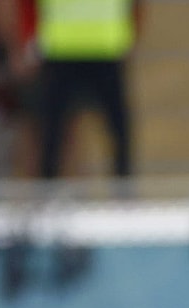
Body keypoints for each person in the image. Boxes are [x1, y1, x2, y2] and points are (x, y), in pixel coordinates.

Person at [35, 0, 139, 177]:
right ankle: (47, 189)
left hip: (97, 46)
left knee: (118, 127)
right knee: (52, 129)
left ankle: (123, 189)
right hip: (67, 46)